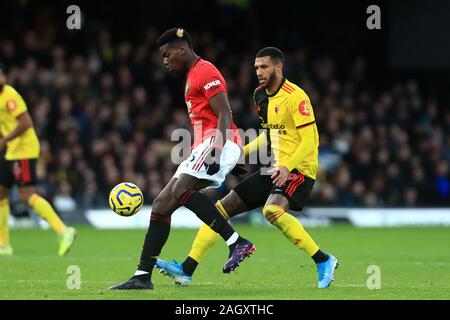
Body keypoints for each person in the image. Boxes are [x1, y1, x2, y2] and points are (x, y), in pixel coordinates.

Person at [155, 47, 339, 289]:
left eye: (264, 67)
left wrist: (286, 166)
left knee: (271, 211)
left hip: (299, 170)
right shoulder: (260, 95)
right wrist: (239, 155)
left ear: (278, 67)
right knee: (221, 209)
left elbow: (310, 142)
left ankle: (323, 260)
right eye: (256, 68)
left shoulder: (297, 97)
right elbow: (268, 136)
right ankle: (187, 268)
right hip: (275, 169)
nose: (259, 72)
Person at [109, 28, 255, 290]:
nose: (165, 61)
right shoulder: (192, 76)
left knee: (179, 189)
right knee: (162, 205)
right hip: (207, 144)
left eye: (167, 55)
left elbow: (225, 114)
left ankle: (236, 241)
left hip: (216, 142)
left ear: (182, 50)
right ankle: (142, 275)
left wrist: (219, 151)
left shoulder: (205, 71)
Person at [0, 63, 76, 257]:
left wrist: (4, 140)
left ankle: (63, 231)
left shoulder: (9, 96)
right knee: (1, 194)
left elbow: (26, 123)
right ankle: (4, 246)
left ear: (5, 76)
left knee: (27, 195)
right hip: (12, 151)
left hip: (23, 150)